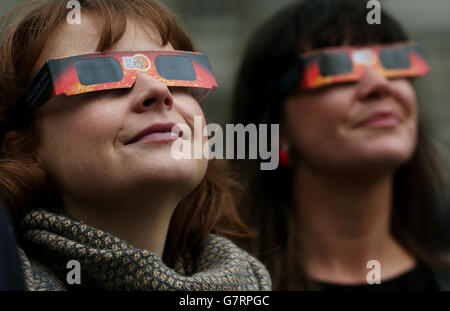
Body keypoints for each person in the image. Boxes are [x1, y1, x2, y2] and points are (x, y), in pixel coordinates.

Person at [0, 0, 271, 291]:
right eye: (101, 74)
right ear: (24, 147)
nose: (158, 90)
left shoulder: (253, 285)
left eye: (175, 72)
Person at [232, 0, 450, 290]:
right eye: (335, 66)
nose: (379, 84)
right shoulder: (221, 287)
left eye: (394, 61)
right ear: (275, 128)